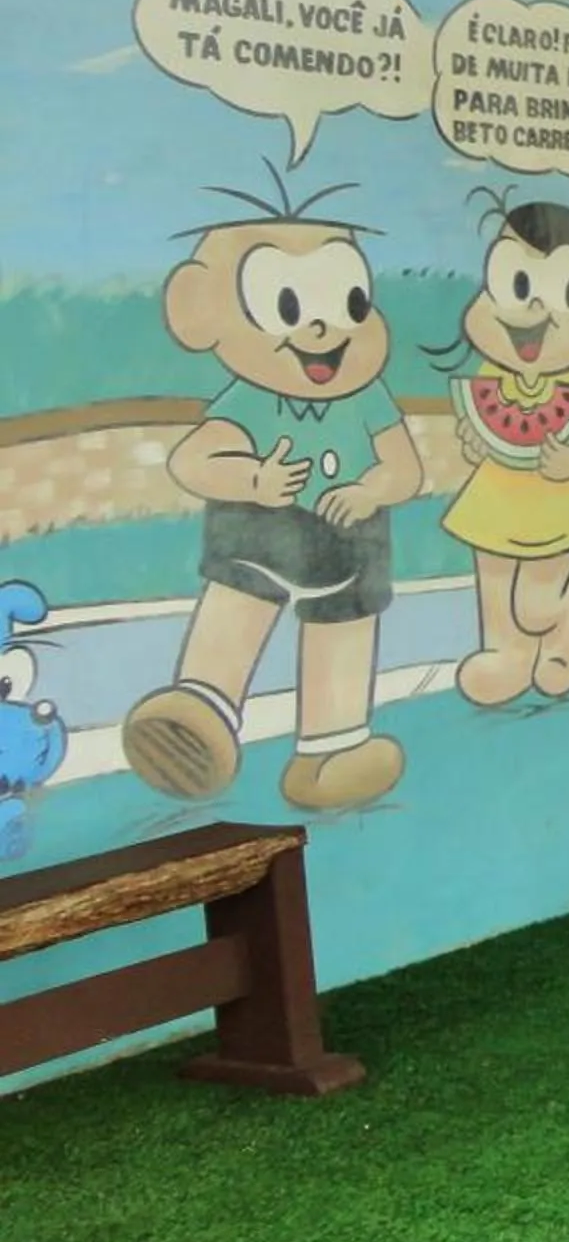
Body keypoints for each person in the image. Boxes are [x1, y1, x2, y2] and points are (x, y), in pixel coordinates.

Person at [124, 181, 422, 810]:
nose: (323, 326)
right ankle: (199, 709)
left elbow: (406, 468)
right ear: (200, 311)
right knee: (237, 605)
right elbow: (194, 459)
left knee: (341, 634)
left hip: (351, 543)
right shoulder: (250, 398)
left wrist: (372, 489)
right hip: (259, 533)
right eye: (288, 304)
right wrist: (252, 479)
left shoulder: (368, 398)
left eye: (351, 301)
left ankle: (332, 749)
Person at [439, 199, 569, 704]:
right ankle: (506, 657)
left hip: (557, 500)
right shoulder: (491, 374)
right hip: (493, 499)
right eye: (514, 286)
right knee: (495, 585)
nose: (531, 310)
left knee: (534, 600)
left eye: (562, 292)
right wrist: (476, 437)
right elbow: (483, 417)